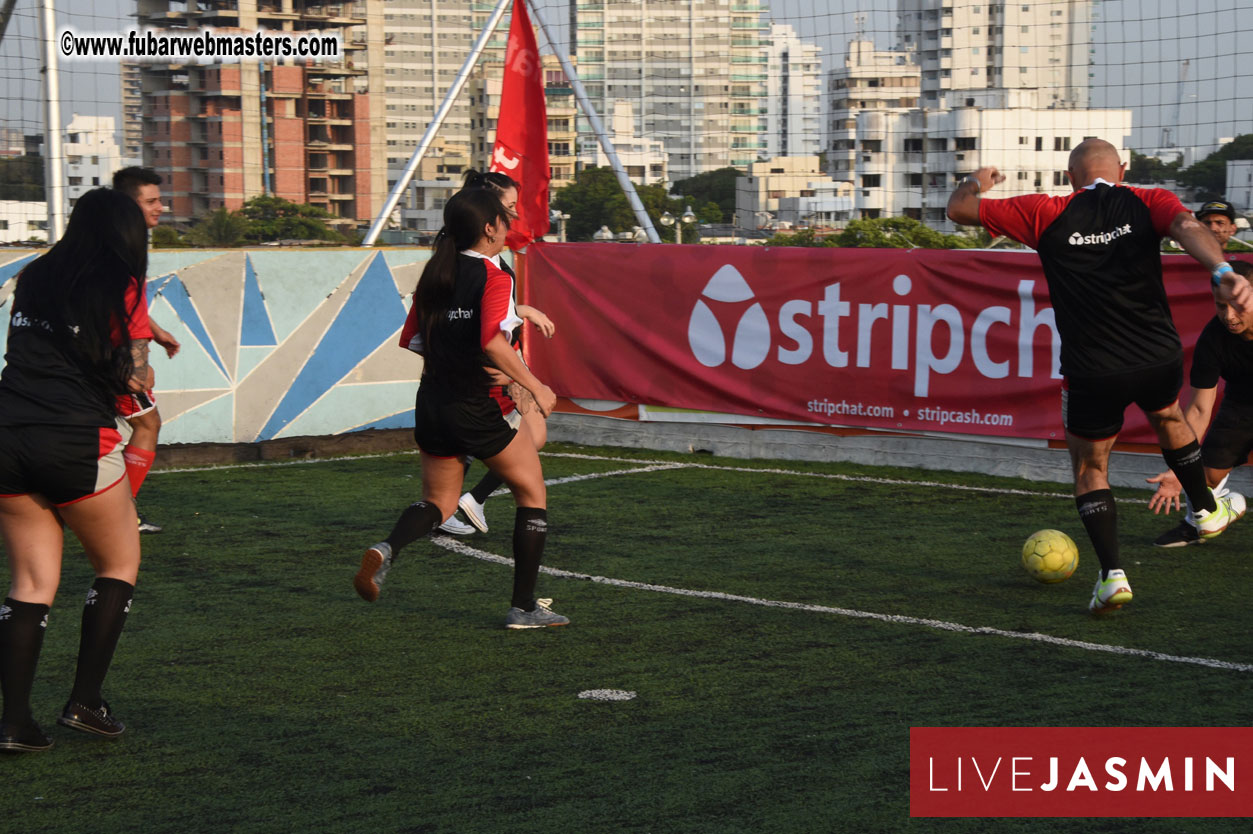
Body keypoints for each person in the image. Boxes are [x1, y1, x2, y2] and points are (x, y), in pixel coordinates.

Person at [947, 138, 1253, 613]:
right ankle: (1207, 509)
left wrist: (976, 182)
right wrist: (1222, 270)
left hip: (1092, 370)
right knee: (1169, 416)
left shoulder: (1043, 211)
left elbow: (960, 210)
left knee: (1091, 468)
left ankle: (1112, 576)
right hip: (1158, 356)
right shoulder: (1146, 199)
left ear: (1070, 177)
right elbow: (1187, 225)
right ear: (1123, 170)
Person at [353, 187, 567, 629]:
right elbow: (490, 339)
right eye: (505, 218)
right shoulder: (494, 275)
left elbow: (413, 341)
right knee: (532, 493)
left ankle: (387, 548)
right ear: (490, 228)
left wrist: (467, 363)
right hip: (473, 406)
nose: (509, 224)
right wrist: (533, 384)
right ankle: (524, 608)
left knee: (439, 501)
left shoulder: (437, 272)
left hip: (431, 401)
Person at [0, 188, 153, 752]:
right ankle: (84, 702)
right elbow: (138, 375)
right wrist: (136, 368)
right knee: (119, 560)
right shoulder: (124, 286)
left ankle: (14, 722)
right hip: (74, 438)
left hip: (7, 432)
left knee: (31, 584)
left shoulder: (35, 275)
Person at [438, 169, 557, 537]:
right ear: (488, 218)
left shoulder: (471, 257)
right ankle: (465, 503)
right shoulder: (478, 260)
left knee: (528, 435)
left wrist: (521, 312)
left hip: (491, 360)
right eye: (508, 208)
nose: (514, 216)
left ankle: (456, 505)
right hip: (492, 362)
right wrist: (519, 375)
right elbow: (482, 327)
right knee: (527, 442)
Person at [1148, 260, 1253, 545]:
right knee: (1201, 477)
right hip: (1242, 406)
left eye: (1236, 305)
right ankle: (1198, 524)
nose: (1229, 316)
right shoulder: (1213, 339)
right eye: (1221, 306)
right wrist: (1179, 469)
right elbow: (1198, 408)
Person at [111, 167, 182, 534]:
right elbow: (116, 306)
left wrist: (158, 331)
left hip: (93, 361)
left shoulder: (120, 241)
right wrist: (134, 363)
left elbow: (129, 301)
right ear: (128, 205)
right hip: (113, 361)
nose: (161, 208)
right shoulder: (121, 246)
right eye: (151, 201)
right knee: (147, 424)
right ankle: (121, 514)